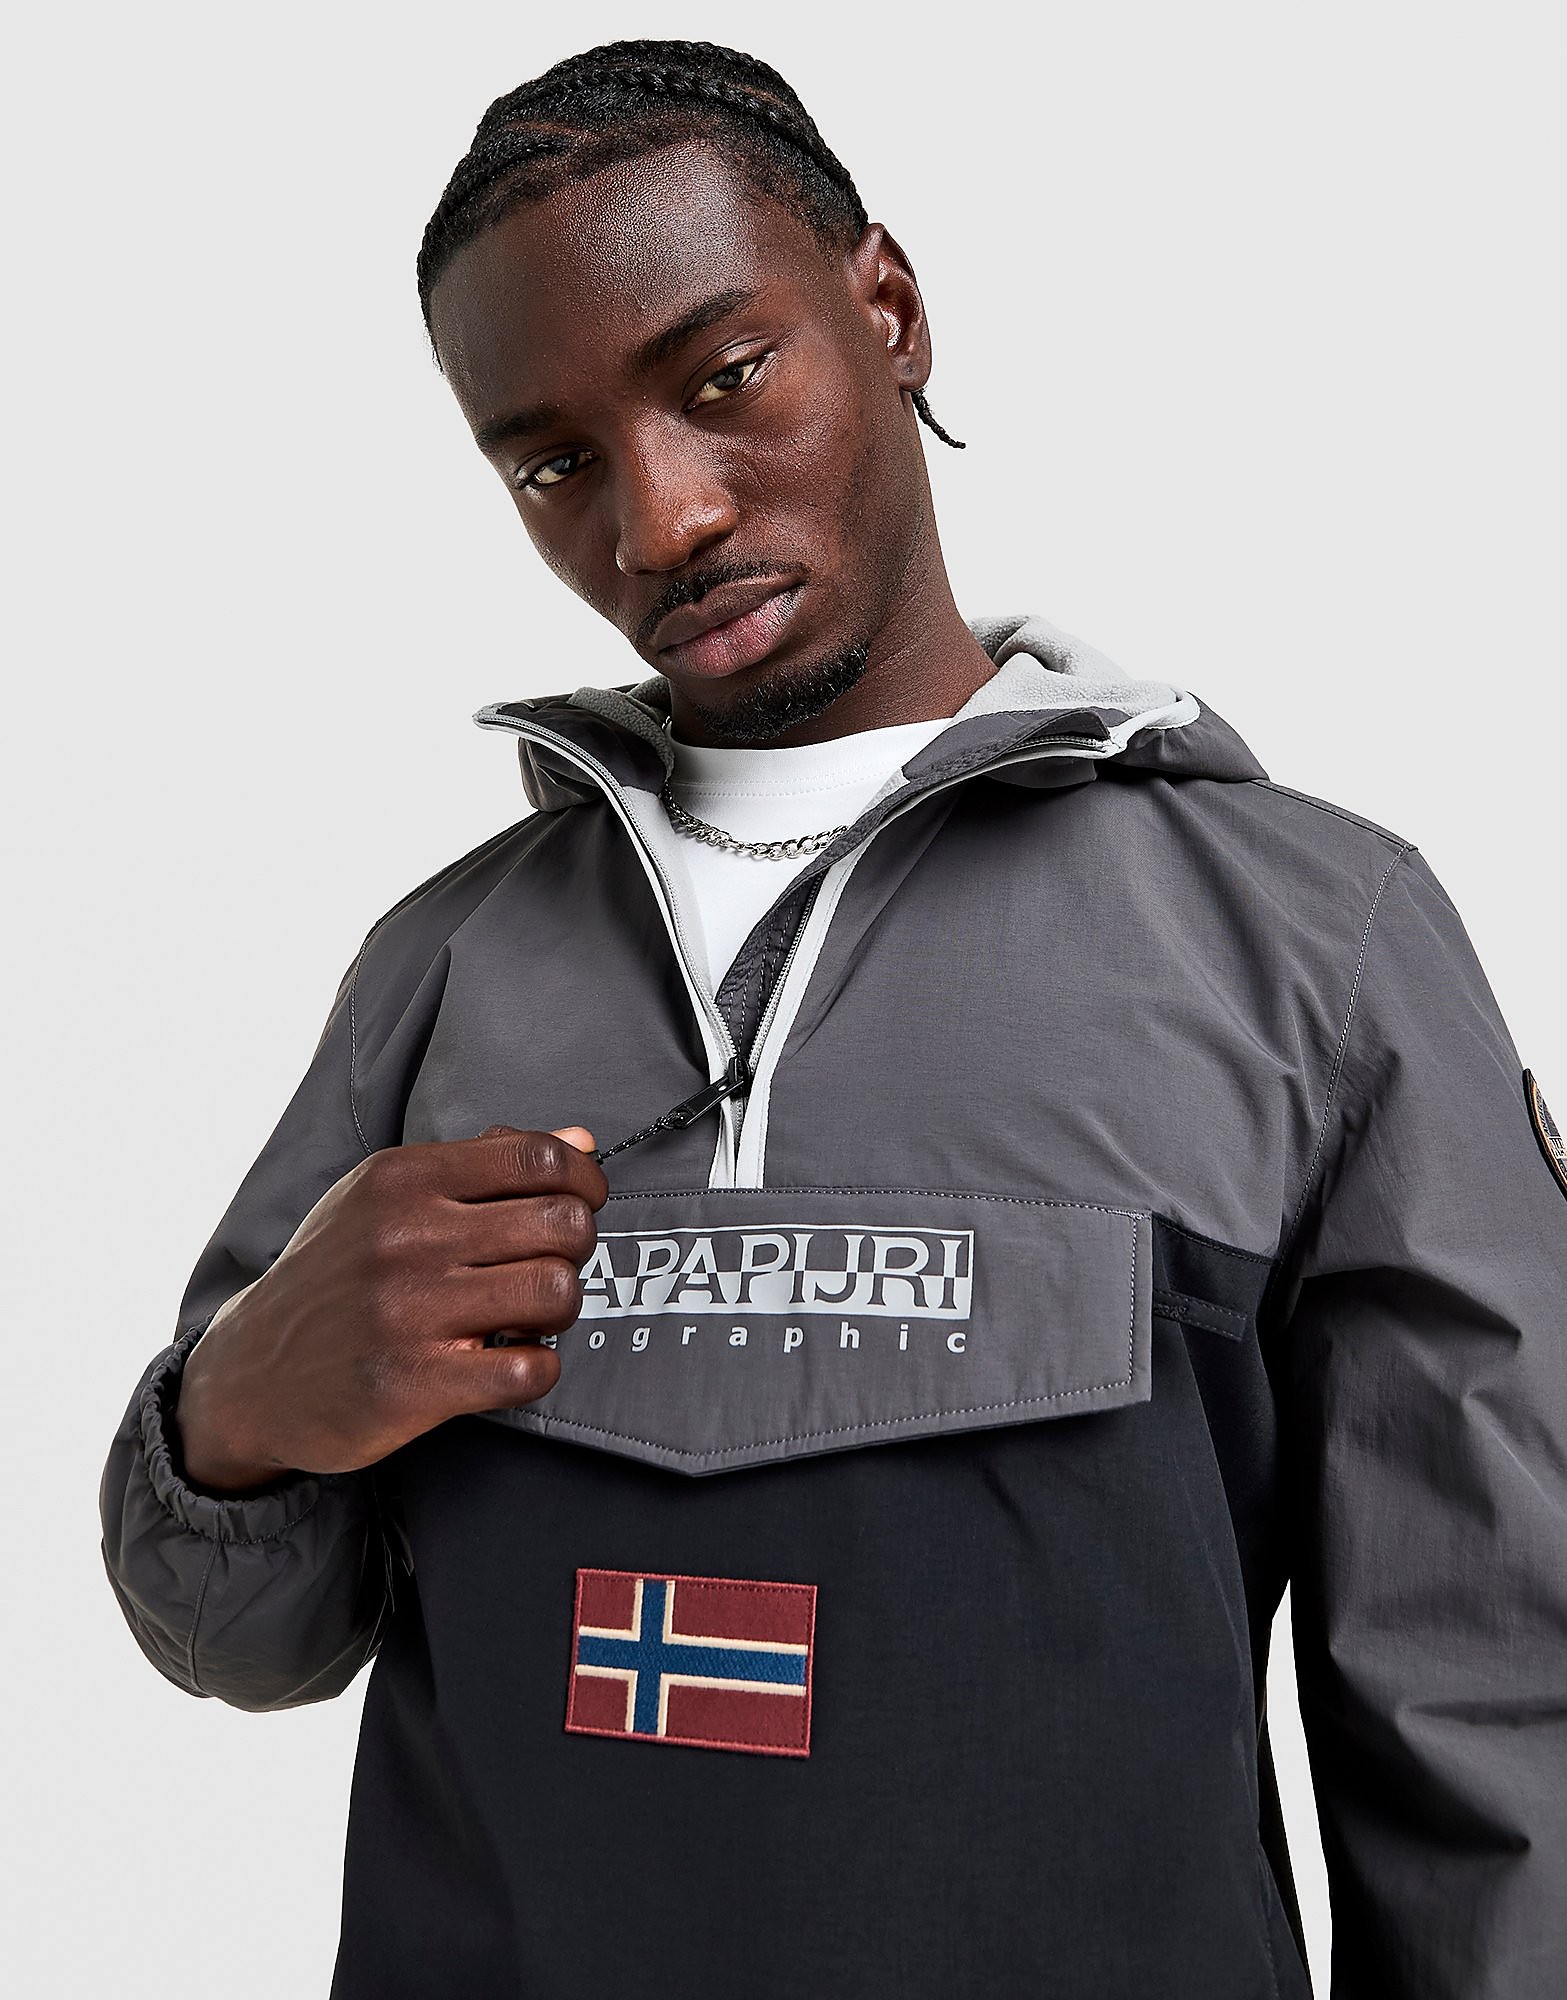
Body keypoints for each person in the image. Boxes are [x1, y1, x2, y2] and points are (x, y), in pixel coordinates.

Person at [99, 38, 1567, 2000]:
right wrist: (232, 1418)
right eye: (551, 462)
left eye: (721, 377)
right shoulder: (445, 965)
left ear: (887, 307)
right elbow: (239, 1632)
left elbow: (1495, 1709)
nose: (660, 517)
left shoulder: (1313, 937)